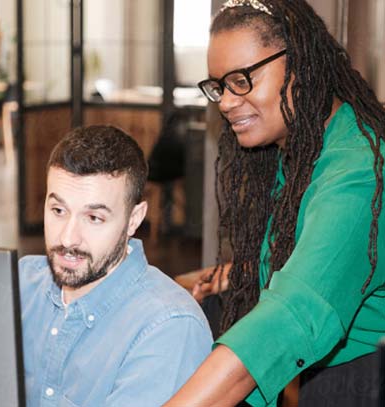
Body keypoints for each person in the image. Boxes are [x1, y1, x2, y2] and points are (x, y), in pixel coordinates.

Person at [163, 0, 385, 406]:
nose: (227, 102)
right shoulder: (300, 148)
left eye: (242, 79)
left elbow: (289, 317)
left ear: (299, 64)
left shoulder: (359, 174)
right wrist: (241, 271)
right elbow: (304, 250)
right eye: (219, 86)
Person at [18, 125, 213, 407]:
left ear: (134, 219)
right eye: (58, 211)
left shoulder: (168, 327)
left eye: (94, 217)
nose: (68, 238)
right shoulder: (21, 283)